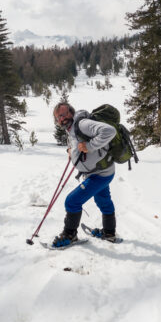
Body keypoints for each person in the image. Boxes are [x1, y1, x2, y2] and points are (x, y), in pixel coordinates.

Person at [52, 102, 117, 247]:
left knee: (72, 201)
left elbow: (110, 131)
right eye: (58, 118)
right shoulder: (71, 128)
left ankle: (70, 235)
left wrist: (89, 146)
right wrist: (71, 151)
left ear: (70, 112)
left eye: (63, 115)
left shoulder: (82, 124)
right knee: (103, 201)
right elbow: (78, 144)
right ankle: (109, 233)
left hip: (100, 174)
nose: (61, 119)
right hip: (100, 172)